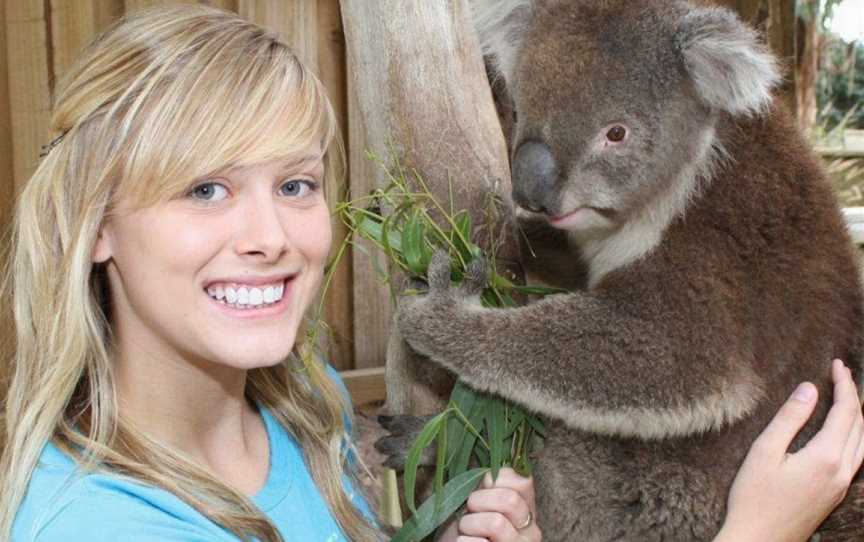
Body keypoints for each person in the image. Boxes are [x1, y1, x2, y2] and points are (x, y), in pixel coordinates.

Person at [0, 5, 860, 542]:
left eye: (296, 184)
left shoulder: (313, 409)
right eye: (205, 189)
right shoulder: (99, 525)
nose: (265, 235)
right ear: (96, 223)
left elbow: (685, 363)